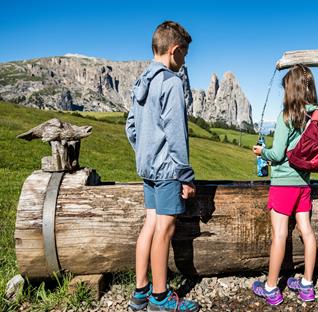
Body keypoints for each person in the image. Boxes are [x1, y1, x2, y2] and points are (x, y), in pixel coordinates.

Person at [125, 20, 199, 312]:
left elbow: (130, 126)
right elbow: (176, 134)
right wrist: (186, 175)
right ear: (175, 50)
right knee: (164, 229)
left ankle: (140, 292)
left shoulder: (142, 81)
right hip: (168, 170)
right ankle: (160, 297)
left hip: (147, 169)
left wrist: (143, 151)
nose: (183, 63)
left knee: (150, 225)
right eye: (184, 56)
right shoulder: (170, 82)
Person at [252, 64, 318, 305]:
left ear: (291, 89)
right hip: (304, 184)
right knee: (307, 231)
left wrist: (262, 151)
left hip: (283, 185)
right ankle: (307, 286)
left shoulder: (287, 115)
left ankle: (271, 287)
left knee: (279, 234)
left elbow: (278, 153)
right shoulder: (315, 115)